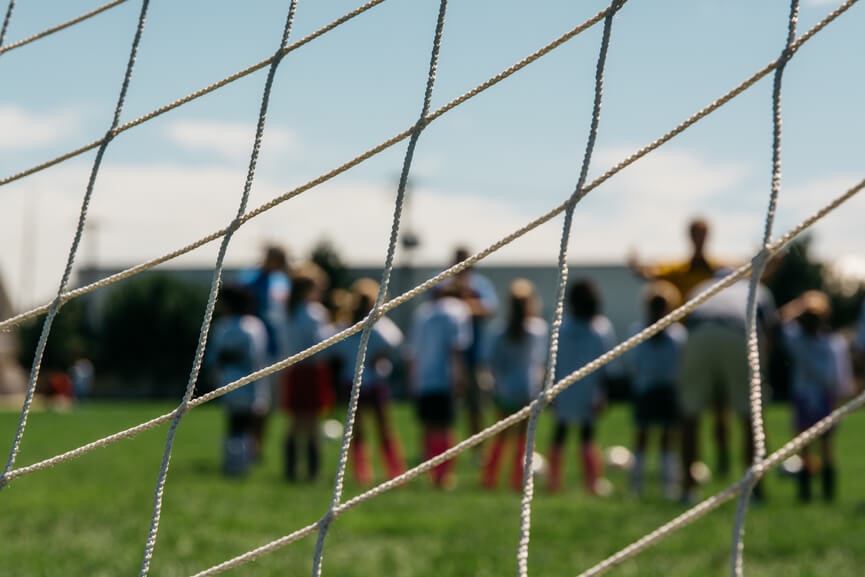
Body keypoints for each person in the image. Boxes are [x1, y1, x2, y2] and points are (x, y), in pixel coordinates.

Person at [629, 217, 733, 479]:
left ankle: (722, 458)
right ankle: (688, 464)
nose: (699, 238)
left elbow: (749, 275)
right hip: (686, 345)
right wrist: (637, 264)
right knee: (687, 409)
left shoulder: (720, 269)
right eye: (695, 233)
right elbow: (649, 274)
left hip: (709, 341)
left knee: (721, 405)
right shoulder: (676, 269)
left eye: (702, 233)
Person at [677, 269, 778, 504]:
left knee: (690, 415)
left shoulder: (701, 287)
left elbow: (684, 322)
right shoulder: (757, 288)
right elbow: (769, 330)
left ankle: (688, 490)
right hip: (738, 332)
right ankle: (755, 490)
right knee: (751, 418)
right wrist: (762, 373)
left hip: (699, 334)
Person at [330, 278, 407, 486]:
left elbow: (334, 349)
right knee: (383, 430)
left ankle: (363, 474)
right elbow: (396, 344)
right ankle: (394, 473)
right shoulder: (379, 326)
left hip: (352, 381)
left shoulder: (345, 326)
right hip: (372, 383)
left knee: (358, 433)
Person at [778, 290, 853, 502]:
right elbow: (841, 373)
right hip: (824, 397)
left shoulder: (797, 341)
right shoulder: (833, 343)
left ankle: (807, 492)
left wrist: (797, 305)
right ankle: (825, 493)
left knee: (805, 446)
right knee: (825, 446)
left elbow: (782, 320)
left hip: (804, 396)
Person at [547, 278, 617, 495]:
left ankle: (553, 482)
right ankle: (592, 482)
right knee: (587, 436)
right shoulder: (601, 328)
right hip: (589, 391)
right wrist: (604, 392)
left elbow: (550, 361)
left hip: (563, 390)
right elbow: (608, 364)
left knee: (560, 433)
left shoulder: (562, 327)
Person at [479, 278, 549, 491]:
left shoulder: (498, 331)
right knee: (524, 440)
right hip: (528, 391)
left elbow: (490, 363)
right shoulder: (538, 330)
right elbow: (541, 362)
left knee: (500, 437)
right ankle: (517, 480)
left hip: (505, 390)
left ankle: (489, 478)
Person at [624, 280, 687, 499]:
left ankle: (645, 484)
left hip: (651, 389)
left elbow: (632, 363)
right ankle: (658, 484)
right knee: (662, 438)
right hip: (662, 390)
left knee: (651, 437)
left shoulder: (672, 334)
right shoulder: (677, 334)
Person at [407, 281, 473, 489]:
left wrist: (412, 379)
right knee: (445, 426)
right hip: (445, 377)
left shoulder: (422, 313)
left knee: (428, 426)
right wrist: (460, 376)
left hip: (424, 377)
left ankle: (431, 473)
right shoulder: (457, 311)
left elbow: (412, 351)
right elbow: (456, 347)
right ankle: (443, 475)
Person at [205, 284, 271, 477]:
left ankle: (235, 464)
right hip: (248, 385)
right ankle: (241, 465)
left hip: (231, 383)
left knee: (235, 425)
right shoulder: (254, 326)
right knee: (243, 425)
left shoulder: (224, 327)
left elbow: (213, 359)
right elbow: (258, 357)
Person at [280, 261, 335, 482]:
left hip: (293, 370)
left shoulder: (287, 312)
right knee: (311, 423)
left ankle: (291, 470)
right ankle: (312, 472)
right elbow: (323, 343)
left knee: (295, 422)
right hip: (311, 371)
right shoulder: (315, 313)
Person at [239, 244, 292, 462]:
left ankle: (257, 447)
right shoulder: (250, 279)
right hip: (252, 348)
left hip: (275, 349)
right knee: (249, 402)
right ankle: (243, 446)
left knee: (266, 404)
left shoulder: (283, 282)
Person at [450, 246, 499, 452]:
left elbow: (488, 309)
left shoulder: (480, 284)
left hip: (475, 356)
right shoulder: (444, 281)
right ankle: (444, 450)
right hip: (449, 357)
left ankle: (477, 448)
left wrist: (461, 302)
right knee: (447, 408)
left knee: (476, 405)